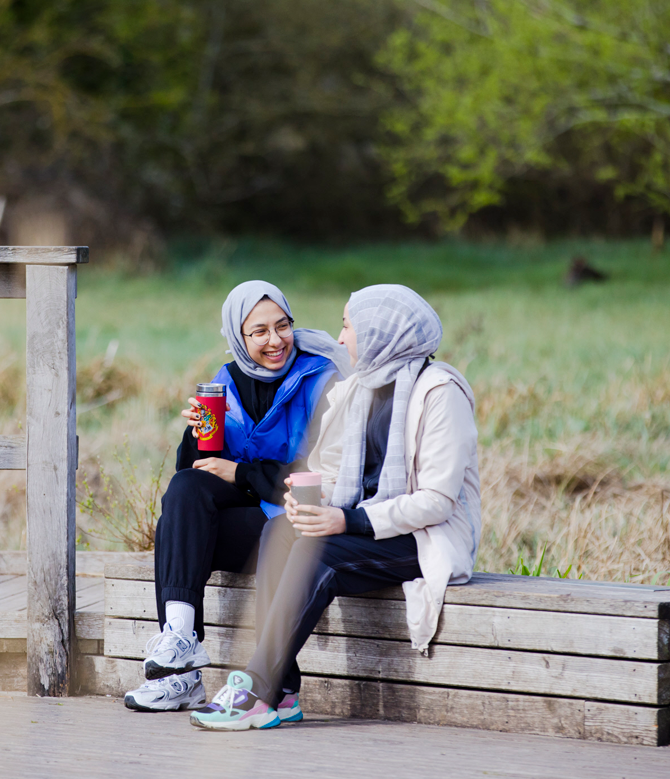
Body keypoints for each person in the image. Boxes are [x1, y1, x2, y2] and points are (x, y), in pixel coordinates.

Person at [188, 284, 481, 731]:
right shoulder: (359, 389)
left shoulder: (439, 392)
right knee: (281, 530)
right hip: (362, 526)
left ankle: (256, 689)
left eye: (348, 326)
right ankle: (282, 693)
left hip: (421, 537)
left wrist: (347, 518)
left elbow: (437, 502)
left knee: (316, 552)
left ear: (382, 332)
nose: (340, 338)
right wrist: (304, 499)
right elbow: (324, 468)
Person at [123, 280, 348, 713]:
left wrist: (241, 472)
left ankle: (198, 678)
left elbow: (316, 481)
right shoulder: (225, 381)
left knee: (177, 526)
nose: (275, 340)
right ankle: (181, 654)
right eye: (259, 332)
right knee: (183, 497)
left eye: (282, 326)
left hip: (293, 524)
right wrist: (195, 434)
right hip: (252, 518)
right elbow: (194, 474)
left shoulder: (322, 381)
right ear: (238, 339)